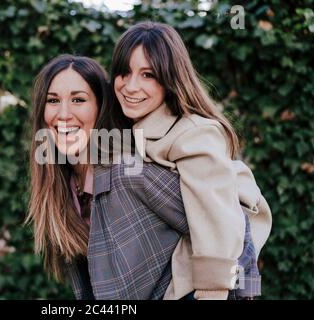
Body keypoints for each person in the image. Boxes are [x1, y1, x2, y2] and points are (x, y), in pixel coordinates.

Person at [25, 53, 270, 300]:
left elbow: (233, 227)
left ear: (101, 107)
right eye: (53, 100)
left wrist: (244, 292)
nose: (63, 114)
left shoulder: (129, 171)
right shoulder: (62, 187)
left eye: (78, 100)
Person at [108, 21, 272, 299]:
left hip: (204, 288)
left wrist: (212, 294)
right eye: (124, 72)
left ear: (170, 78)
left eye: (147, 74)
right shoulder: (138, 131)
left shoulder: (194, 133)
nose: (130, 86)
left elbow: (218, 225)